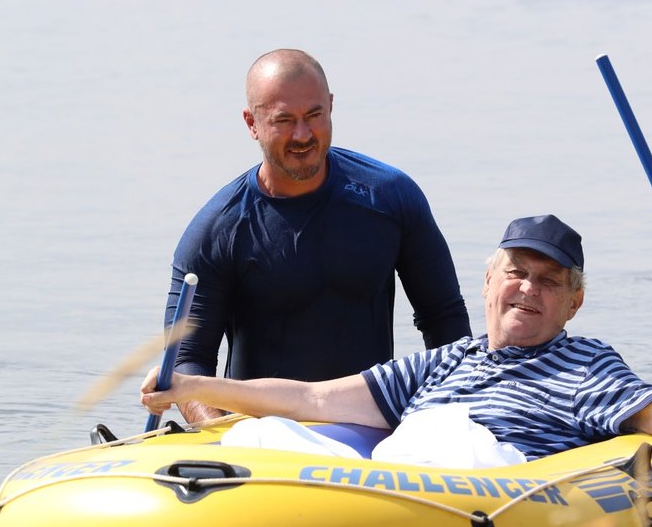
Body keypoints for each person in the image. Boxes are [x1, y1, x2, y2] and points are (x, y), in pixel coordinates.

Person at [143, 214, 652, 460]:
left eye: (548, 282)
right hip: (400, 479)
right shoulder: (444, 362)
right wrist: (192, 385)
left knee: (442, 427)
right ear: (487, 284)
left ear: (573, 303)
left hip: (483, 489)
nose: (528, 290)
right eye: (517, 274)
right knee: (264, 434)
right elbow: (312, 399)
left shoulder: (586, 364)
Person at [164, 49, 471, 423]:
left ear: (331, 106)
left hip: (370, 427)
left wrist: (445, 420)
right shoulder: (216, 230)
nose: (303, 134)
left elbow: (445, 322)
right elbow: (187, 363)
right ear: (252, 123)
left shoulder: (390, 197)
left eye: (314, 115)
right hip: (261, 434)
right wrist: (223, 440)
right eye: (284, 120)